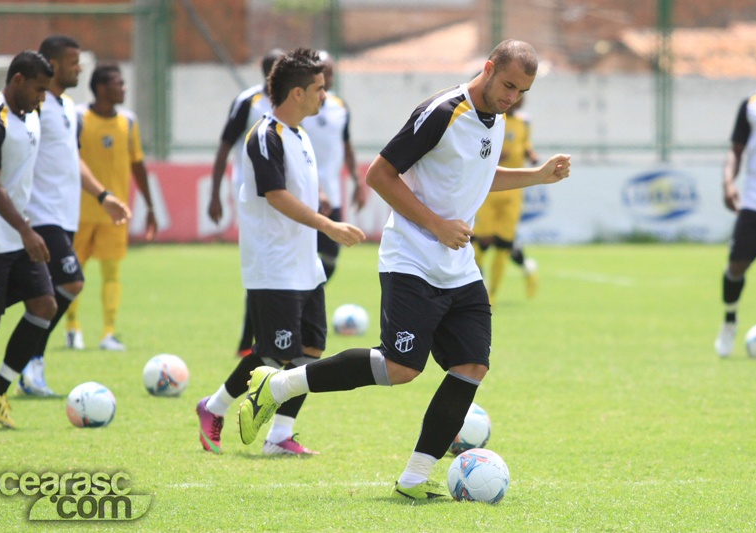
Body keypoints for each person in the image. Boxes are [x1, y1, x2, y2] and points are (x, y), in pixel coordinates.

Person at [237, 40, 570, 498]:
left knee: (471, 365)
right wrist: (435, 224)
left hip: (458, 266)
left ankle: (414, 480)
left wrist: (537, 175)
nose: (512, 97)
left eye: (522, 91)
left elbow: (475, 175)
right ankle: (279, 384)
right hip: (411, 259)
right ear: (489, 68)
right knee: (399, 368)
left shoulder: (498, 114)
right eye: (508, 85)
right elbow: (379, 174)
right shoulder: (441, 111)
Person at [195, 48, 365, 455]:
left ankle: (279, 436)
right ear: (296, 94)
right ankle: (213, 406)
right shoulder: (264, 136)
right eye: (319, 89)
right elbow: (274, 195)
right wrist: (329, 225)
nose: (325, 96)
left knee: (310, 354)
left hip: (304, 266)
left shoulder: (300, 134)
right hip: (273, 266)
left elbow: (299, 187)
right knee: (272, 356)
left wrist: (321, 197)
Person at [17, 36, 131, 395]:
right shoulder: (33, 108)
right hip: (38, 215)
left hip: (65, 217)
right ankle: (30, 360)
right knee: (70, 284)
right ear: (51, 63)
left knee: (44, 296)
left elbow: (71, 158)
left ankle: (28, 362)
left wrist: (103, 195)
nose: (79, 68)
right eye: (72, 62)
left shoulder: (67, 107)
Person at [0, 51, 57, 428]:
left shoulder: (32, 115)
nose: (42, 97)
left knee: (44, 305)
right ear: (18, 80)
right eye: (39, 89)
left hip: (18, 234)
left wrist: (27, 226)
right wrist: (26, 230)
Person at [63, 63, 156, 351]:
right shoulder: (78, 117)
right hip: (79, 212)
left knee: (112, 273)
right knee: (72, 273)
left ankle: (107, 333)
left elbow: (137, 164)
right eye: (119, 83)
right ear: (101, 88)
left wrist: (149, 205)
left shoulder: (128, 121)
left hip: (116, 212)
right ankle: (71, 328)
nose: (124, 88)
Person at [209, 49, 283, 359]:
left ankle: (268, 336)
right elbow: (225, 145)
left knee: (277, 265)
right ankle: (248, 340)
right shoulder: (248, 103)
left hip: (282, 196)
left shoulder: (291, 105)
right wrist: (215, 193)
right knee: (262, 264)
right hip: (253, 196)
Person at [714, 54, 756, 357]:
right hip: (754, 205)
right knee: (736, 267)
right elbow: (735, 150)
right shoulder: (754, 104)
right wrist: (728, 182)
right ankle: (729, 321)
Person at [300, 51, 366, 281]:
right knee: (301, 258)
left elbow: (346, 146)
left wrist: (358, 182)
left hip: (333, 196)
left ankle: (307, 303)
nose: (328, 78)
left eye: (331, 73)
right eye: (323, 73)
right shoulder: (299, 108)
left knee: (330, 258)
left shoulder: (340, 107)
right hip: (303, 197)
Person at [472, 95, 539, 304]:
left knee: (504, 243)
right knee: (480, 241)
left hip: (514, 191)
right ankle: (472, 288)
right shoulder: (488, 119)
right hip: (489, 189)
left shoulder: (524, 122)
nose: (518, 99)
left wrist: (530, 154)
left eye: (522, 95)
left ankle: (491, 295)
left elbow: (524, 143)